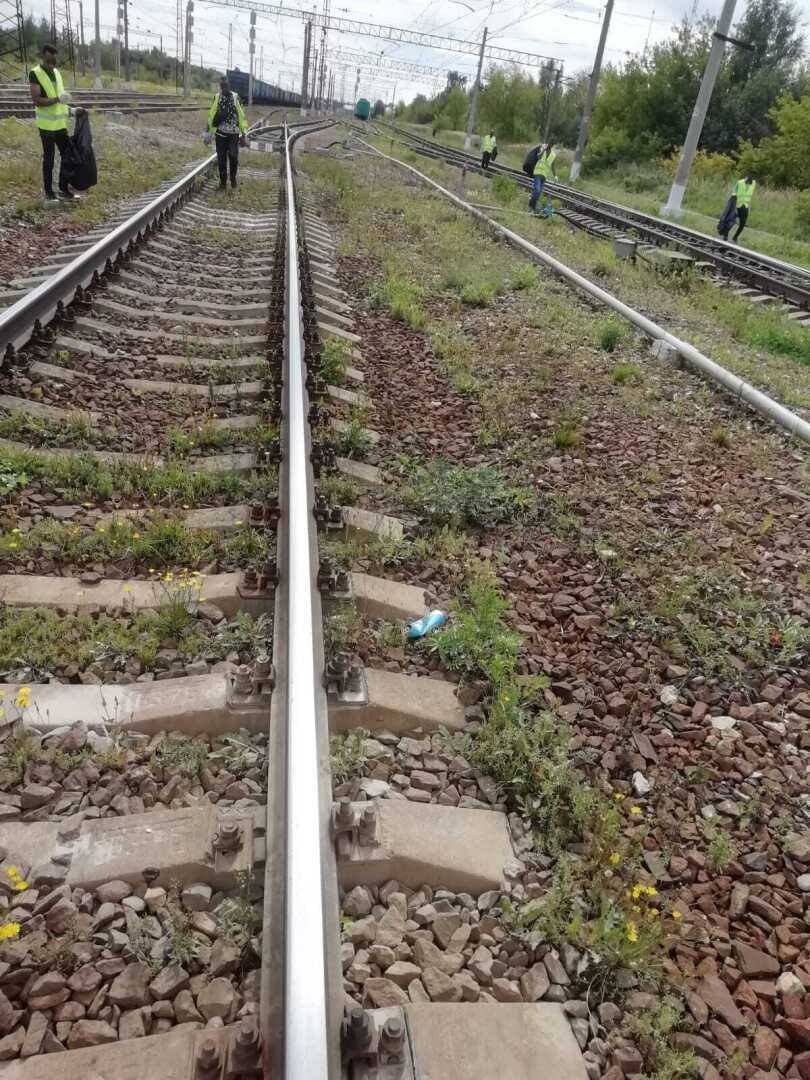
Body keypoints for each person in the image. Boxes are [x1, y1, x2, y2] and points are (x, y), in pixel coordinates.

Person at [29, 43, 74, 203]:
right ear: (43, 56)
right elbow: (37, 100)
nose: (52, 64)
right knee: (49, 158)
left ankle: (63, 188)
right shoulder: (35, 73)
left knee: (68, 154)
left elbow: (60, 99)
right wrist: (57, 99)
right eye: (49, 60)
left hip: (60, 124)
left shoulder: (57, 73)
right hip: (46, 126)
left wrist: (71, 109)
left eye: (54, 60)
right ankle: (49, 192)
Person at [207, 77, 248, 191]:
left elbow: (241, 116)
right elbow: (211, 115)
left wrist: (243, 134)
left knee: (233, 156)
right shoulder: (217, 97)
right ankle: (223, 183)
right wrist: (209, 133)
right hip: (220, 134)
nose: (224, 88)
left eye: (226, 86)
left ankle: (233, 178)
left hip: (233, 135)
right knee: (221, 159)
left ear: (229, 86)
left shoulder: (235, 97)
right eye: (222, 86)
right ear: (220, 87)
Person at [719, 175, 756, 243]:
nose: (747, 183)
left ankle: (735, 238)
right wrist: (733, 207)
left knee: (742, 224)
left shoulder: (753, 183)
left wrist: (749, 207)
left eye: (749, 182)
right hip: (736, 206)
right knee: (731, 221)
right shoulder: (739, 183)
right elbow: (733, 195)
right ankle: (725, 235)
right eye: (746, 181)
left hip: (745, 206)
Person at [528, 143, 557, 215]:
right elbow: (538, 157)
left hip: (544, 176)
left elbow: (553, 166)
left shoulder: (553, 155)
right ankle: (531, 206)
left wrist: (555, 176)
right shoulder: (542, 149)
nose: (550, 145)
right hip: (538, 173)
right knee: (537, 191)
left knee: (539, 193)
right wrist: (543, 150)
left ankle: (533, 207)